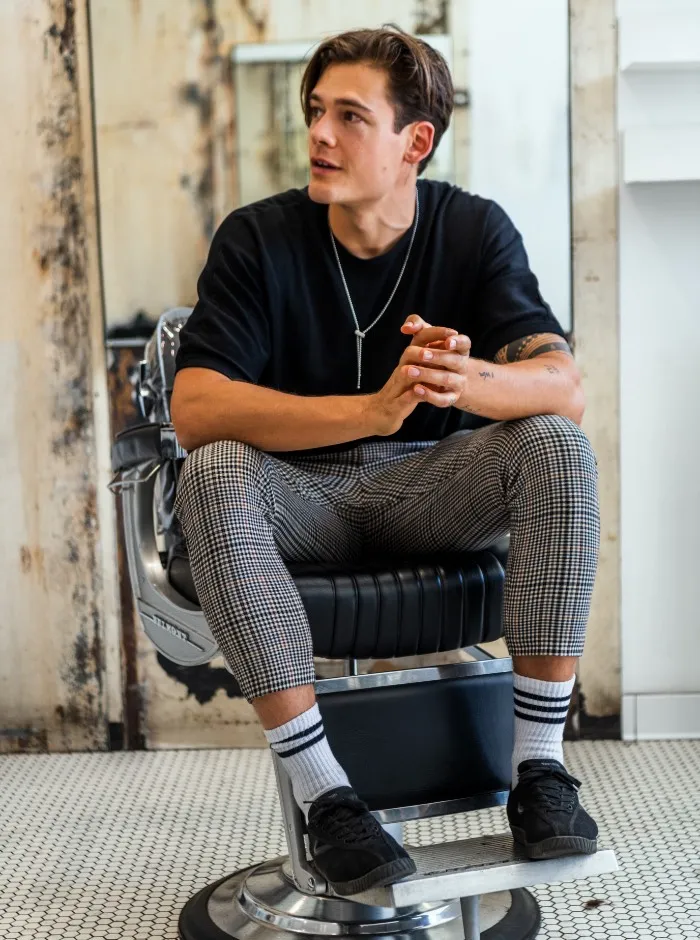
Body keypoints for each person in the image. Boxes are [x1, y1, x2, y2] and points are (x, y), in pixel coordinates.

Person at [171, 25, 600, 896]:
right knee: (212, 469)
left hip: (425, 487)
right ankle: (328, 798)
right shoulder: (257, 240)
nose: (319, 135)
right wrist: (368, 410)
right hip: (302, 496)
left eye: (349, 117)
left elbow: (562, 387)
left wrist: (465, 380)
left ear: (414, 142)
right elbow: (196, 409)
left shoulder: (473, 228)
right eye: (315, 112)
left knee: (557, 445)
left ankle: (541, 774)